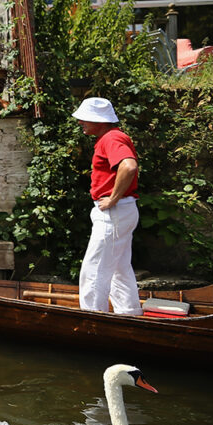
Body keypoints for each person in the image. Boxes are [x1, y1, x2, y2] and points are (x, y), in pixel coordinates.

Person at [72, 97, 143, 316]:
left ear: (98, 120)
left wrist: (112, 198)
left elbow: (129, 166)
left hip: (114, 211)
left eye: (85, 119)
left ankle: (92, 320)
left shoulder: (110, 138)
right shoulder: (112, 136)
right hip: (122, 210)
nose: (80, 122)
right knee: (119, 269)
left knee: (94, 270)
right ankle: (129, 314)